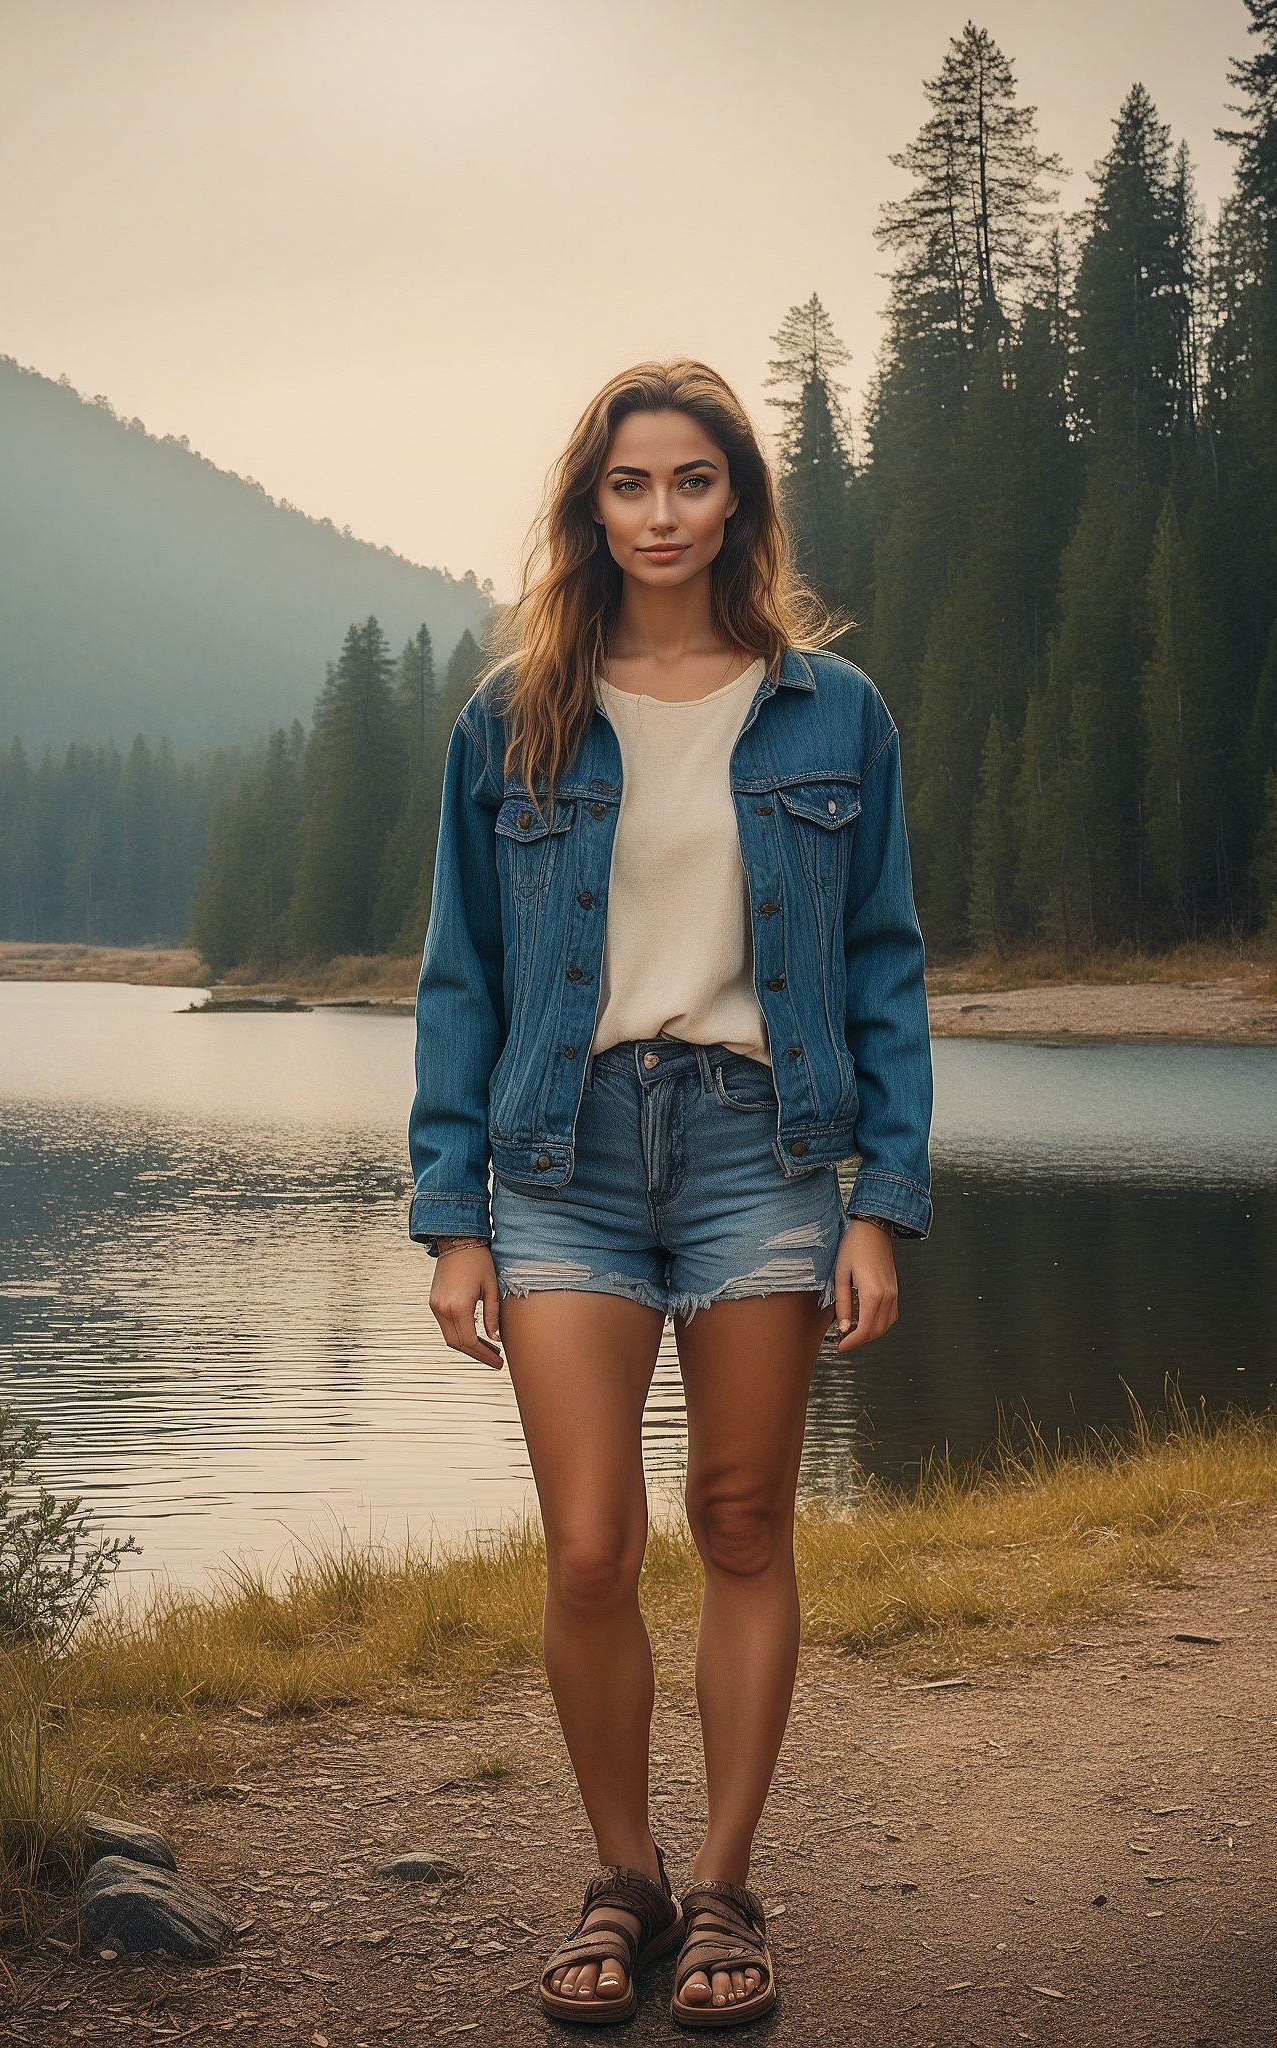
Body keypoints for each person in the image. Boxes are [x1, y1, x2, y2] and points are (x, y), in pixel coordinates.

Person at [408, 358, 931, 2028]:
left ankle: (722, 1888)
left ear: (739, 504)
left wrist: (881, 1201)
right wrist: (452, 1216)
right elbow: (460, 982)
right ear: (590, 507)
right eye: (629, 486)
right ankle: (619, 1874)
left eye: (691, 483)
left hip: (761, 1146)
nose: (658, 515)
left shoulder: (833, 714)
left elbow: (882, 968)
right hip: (558, 1154)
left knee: (741, 1521)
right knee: (585, 1548)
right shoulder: (512, 719)